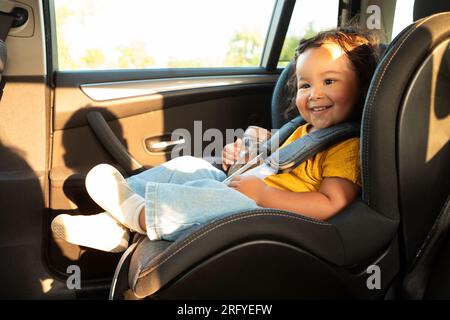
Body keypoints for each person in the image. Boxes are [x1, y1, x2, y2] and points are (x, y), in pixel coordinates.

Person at [51, 27, 380, 253]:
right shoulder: (301, 130)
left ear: (362, 88)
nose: (314, 94)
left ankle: (134, 214)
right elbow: (275, 160)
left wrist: (264, 194)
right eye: (305, 85)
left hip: (271, 212)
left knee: (212, 195)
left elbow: (331, 203)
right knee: (192, 166)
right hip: (255, 187)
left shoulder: (345, 147)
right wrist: (245, 153)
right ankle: (117, 225)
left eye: (330, 81)